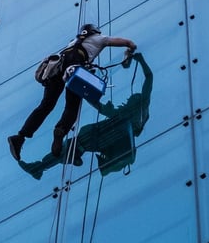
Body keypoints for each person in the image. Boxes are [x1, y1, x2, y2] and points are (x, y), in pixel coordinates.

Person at [8, 24, 136, 161]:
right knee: (72, 107)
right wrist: (130, 50)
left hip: (56, 69)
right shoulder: (100, 38)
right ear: (95, 31)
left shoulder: (73, 42)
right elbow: (128, 43)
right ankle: (61, 130)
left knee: (45, 106)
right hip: (74, 69)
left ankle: (20, 137)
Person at [19, 52, 152, 179]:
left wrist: (141, 61)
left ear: (136, 100)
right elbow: (100, 107)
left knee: (70, 147)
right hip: (98, 138)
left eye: (130, 100)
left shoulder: (139, 107)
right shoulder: (122, 116)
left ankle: (41, 167)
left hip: (98, 137)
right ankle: (45, 166)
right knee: (72, 146)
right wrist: (85, 92)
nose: (128, 101)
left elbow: (148, 78)